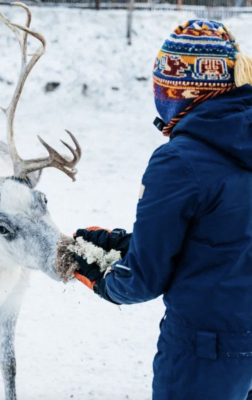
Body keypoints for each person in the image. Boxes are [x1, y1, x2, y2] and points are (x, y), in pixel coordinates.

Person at [73, 20, 252, 400]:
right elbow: (223, 238)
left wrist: (103, 279)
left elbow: (144, 279)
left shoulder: (178, 161)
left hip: (203, 354)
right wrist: (123, 243)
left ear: (180, 90)